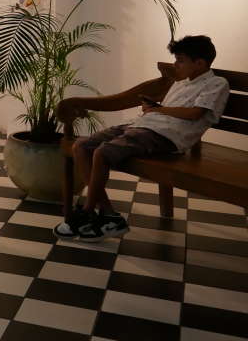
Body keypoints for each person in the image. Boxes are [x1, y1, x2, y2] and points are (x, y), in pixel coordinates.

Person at [55, 35, 229, 241]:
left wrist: (160, 109)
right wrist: (153, 108)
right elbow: (166, 110)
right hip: (141, 126)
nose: (175, 65)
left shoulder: (216, 83)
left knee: (103, 152)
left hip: (166, 137)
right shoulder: (181, 83)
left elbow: (195, 114)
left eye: (181, 60)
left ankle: (87, 212)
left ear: (199, 63)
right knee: (81, 145)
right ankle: (109, 216)